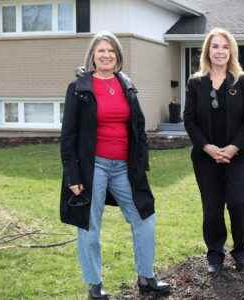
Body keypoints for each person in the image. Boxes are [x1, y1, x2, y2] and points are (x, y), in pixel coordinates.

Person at [60, 31, 169, 299]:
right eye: (101, 51)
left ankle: (146, 277)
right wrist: (72, 175)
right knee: (90, 224)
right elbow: (69, 135)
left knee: (145, 217)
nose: (106, 55)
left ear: (118, 56)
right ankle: (94, 285)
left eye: (111, 51)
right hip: (92, 166)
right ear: (92, 57)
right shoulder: (79, 89)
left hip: (125, 167)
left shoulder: (127, 85)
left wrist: (141, 162)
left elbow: (138, 127)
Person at [184, 28, 244, 273]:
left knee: (239, 202)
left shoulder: (243, 81)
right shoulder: (195, 83)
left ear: (232, 51)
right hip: (206, 158)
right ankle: (215, 254)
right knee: (212, 207)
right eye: (215, 46)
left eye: (225, 47)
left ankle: (241, 250)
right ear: (207, 50)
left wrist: (233, 148)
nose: (220, 51)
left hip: (239, 157)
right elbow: (189, 120)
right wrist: (208, 147)